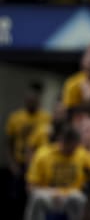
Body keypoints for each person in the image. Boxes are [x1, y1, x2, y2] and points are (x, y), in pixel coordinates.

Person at [24, 126, 90, 220]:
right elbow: (30, 186)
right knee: (37, 198)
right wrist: (53, 192)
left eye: (74, 148)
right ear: (61, 141)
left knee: (79, 199)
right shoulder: (44, 154)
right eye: (68, 148)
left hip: (70, 195)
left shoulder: (82, 155)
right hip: (48, 195)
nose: (71, 152)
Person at [5, 83, 51, 218]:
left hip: (36, 166)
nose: (31, 100)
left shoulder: (45, 118)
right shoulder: (16, 117)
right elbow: (9, 143)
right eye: (29, 97)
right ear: (25, 99)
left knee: (32, 201)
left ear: (39, 99)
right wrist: (12, 164)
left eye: (34, 98)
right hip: (19, 164)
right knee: (14, 200)